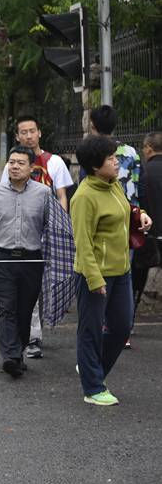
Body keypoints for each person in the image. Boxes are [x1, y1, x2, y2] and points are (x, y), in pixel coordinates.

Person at [73, 135, 152, 406]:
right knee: (91, 330)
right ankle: (93, 387)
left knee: (121, 327)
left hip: (122, 270)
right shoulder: (84, 196)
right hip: (95, 274)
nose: (116, 162)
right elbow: (82, 243)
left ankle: (90, 368)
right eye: (110, 159)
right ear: (96, 166)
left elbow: (126, 208)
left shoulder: (114, 185)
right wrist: (94, 279)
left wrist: (139, 214)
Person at [0, 146, 51, 377]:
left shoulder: (43, 194)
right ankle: (10, 357)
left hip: (31, 261)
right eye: (11, 162)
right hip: (1, 259)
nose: (14, 166)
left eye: (20, 163)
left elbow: (51, 228)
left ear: (32, 167)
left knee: (24, 311)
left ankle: (19, 350)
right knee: (6, 308)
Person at [3, 115, 74, 359]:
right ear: (17, 136)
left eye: (32, 131)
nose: (29, 135)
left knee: (48, 284)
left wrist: (61, 225)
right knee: (28, 284)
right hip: (24, 233)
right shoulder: (12, 164)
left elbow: (62, 195)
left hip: (50, 232)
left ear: (40, 133)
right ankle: (32, 337)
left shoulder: (54, 162)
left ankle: (40, 326)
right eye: (24, 132)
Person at [132, 132, 162, 340]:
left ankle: (130, 317)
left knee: (138, 275)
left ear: (149, 148)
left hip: (148, 232)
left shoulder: (144, 172)